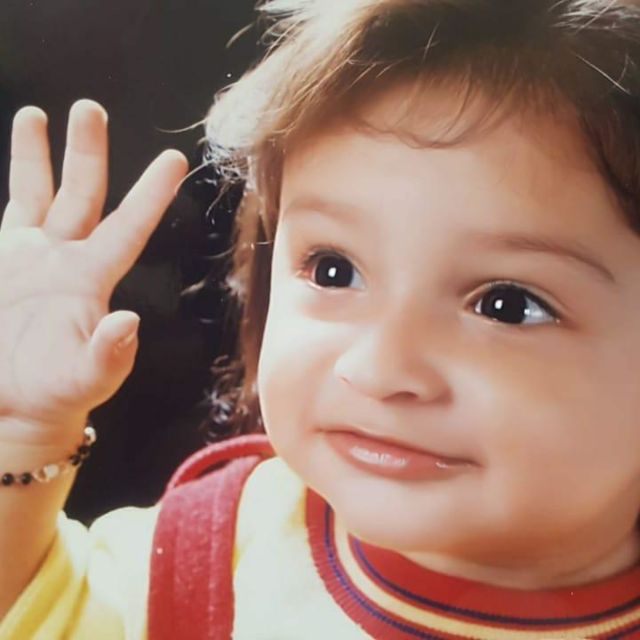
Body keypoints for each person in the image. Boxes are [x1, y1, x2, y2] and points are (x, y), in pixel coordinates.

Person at [2, 0, 640, 638]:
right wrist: (26, 433)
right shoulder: (212, 560)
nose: (377, 369)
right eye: (333, 270)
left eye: (506, 305)